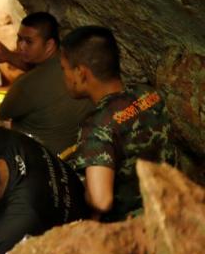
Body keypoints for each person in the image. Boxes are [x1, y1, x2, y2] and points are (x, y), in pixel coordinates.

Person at [59, 26, 180, 221]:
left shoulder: (97, 124)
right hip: (174, 206)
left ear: (81, 73)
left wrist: (83, 188)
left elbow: (101, 200)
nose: (64, 76)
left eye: (64, 69)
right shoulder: (148, 94)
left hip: (137, 225)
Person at [0, 12, 94, 154]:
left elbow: (2, 112)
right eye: (19, 39)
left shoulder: (27, 84)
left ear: (49, 45)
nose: (21, 46)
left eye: (28, 42)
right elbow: (43, 72)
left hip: (40, 155)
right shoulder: (73, 63)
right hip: (74, 149)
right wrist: (8, 56)